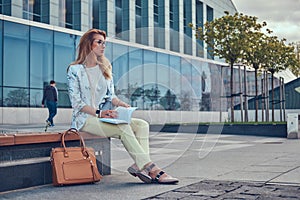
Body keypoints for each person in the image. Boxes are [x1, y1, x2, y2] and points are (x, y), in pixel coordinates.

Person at [67, 29, 178, 184]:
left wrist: (120, 104)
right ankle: (152, 169)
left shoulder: (105, 68)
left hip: (102, 117)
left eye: (104, 43)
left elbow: (111, 96)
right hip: (84, 120)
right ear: (89, 45)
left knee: (142, 125)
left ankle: (138, 165)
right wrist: (100, 113)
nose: (103, 46)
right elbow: (76, 103)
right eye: (99, 42)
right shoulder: (75, 70)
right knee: (123, 128)